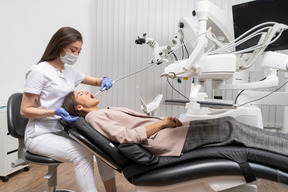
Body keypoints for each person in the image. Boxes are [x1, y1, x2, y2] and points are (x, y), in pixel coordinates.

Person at [20, 27, 117, 192]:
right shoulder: (38, 72)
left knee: (102, 147)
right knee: (82, 154)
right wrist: (53, 112)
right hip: (39, 134)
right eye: (73, 50)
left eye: (79, 51)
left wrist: (104, 80)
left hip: (61, 130)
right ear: (60, 45)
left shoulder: (68, 71)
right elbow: (25, 110)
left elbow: (94, 81)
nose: (76, 55)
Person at [63, 90, 288, 157]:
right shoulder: (94, 117)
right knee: (230, 128)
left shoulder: (104, 111)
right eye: (81, 94)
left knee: (229, 124)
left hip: (171, 133)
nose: (88, 91)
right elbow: (126, 137)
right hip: (167, 140)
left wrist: (165, 122)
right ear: (79, 108)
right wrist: (162, 125)